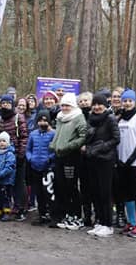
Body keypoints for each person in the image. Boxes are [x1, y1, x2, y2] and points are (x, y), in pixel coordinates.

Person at [81, 93, 119, 236]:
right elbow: (88, 136)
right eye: (95, 104)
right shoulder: (91, 119)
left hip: (106, 160)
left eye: (100, 104)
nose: (97, 107)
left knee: (105, 193)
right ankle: (100, 222)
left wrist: (101, 147)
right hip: (92, 159)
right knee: (95, 192)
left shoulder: (110, 119)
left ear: (105, 105)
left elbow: (116, 139)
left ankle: (108, 224)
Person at [50, 93, 88, 230]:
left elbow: (83, 137)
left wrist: (69, 146)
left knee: (71, 187)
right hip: (59, 156)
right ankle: (65, 214)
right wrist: (54, 145)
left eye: (67, 105)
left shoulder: (78, 117)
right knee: (60, 186)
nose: (65, 108)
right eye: (63, 105)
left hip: (72, 156)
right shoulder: (60, 117)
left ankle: (76, 216)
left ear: (72, 106)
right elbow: (58, 134)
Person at [115, 90, 136, 237]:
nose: (127, 103)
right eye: (125, 101)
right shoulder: (120, 119)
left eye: (130, 101)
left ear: (135, 102)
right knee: (126, 194)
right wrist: (120, 160)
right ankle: (132, 222)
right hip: (122, 163)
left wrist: (130, 160)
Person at [0, 94, 28, 220]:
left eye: (7, 103)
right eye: (3, 103)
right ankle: (5, 208)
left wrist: (20, 154)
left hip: (16, 156)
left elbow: (24, 137)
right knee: (5, 184)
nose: (5, 105)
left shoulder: (18, 117)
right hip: (2, 156)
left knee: (19, 184)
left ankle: (21, 209)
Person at [26, 111, 55, 224]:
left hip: (48, 168)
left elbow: (55, 150)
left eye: (45, 120)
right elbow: (28, 149)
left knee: (48, 192)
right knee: (38, 192)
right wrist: (30, 158)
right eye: (40, 120)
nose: (42, 122)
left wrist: (49, 159)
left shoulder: (53, 133)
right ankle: (41, 214)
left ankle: (52, 215)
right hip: (35, 167)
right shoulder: (33, 134)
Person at [0, 132, 17, 221]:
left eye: (4, 141)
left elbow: (9, 167)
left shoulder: (10, 154)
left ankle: (7, 212)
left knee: (6, 197)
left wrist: (0, 175)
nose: (1, 143)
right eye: (0, 141)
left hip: (6, 180)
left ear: (8, 142)